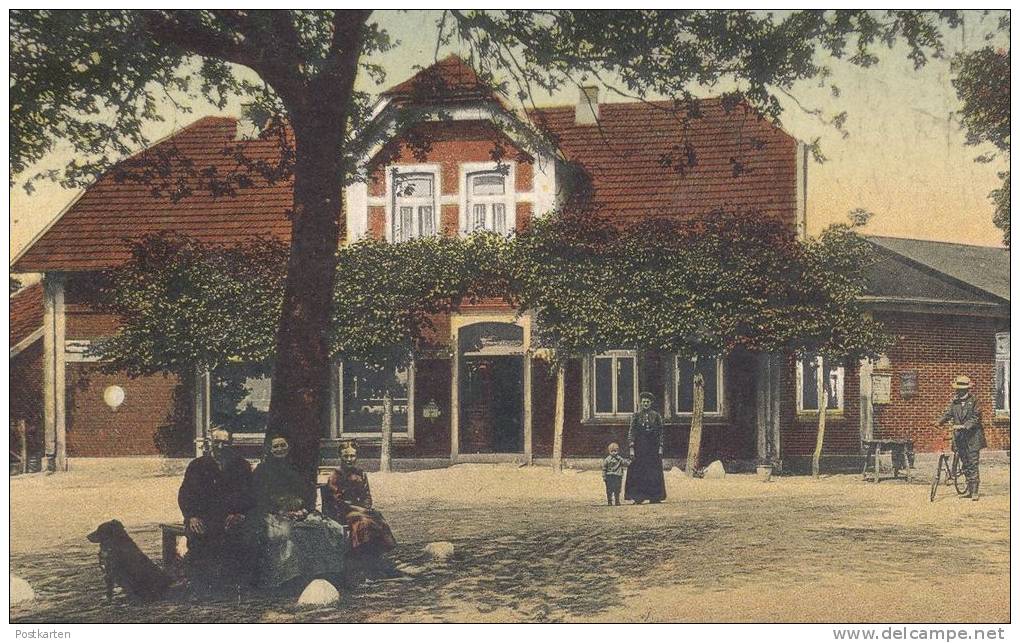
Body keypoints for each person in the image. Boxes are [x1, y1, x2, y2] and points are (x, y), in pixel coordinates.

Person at [250, 435, 347, 589]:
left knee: (327, 528)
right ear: (269, 449)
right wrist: (282, 511)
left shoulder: (297, 467)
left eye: (283, 445)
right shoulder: (262, 470)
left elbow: (308, 492)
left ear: (288, 447)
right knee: (290, 534)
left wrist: (304, 509)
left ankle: (323, 575)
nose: (280, 449)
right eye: (276, 446)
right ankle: (291, 579)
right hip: (274, 513)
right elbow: (259, 497)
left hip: (299, 510)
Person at [177, 428, 255, 591]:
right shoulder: (197, 466)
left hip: (232, 516)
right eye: (216, 442)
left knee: (240, 537)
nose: (220, 446)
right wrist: (191, 516)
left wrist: (240, 514)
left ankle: (234, 583)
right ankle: (202, 582)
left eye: (225, 443)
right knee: (201, 537)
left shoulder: (241, 466)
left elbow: (249, 494)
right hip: (204, 517)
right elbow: (185, 494)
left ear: (231, 444)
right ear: (210, 444)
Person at [325, 441, 399, 578]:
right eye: (345, 456)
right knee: (363, 522)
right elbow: (338, 501)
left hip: (360, 510)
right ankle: (364, 563)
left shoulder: (361, 474)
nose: (349, 459)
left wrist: (366, 507)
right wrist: (360, 509)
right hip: (342, 512)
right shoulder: (335, 475)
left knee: (377, 518)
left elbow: (367, 495)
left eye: (352, 456)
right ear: (340, 457)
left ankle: (375, 560)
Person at [935, 375, 986, 501]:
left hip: (973, 438)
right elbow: (948, 414)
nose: (959, 391)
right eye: (958, 389)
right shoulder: (955, 402)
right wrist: (939, 422)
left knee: (973, 462)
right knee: (965, 463)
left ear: (967, 390)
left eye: (962, 389)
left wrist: (965, 426)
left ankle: (974, 491)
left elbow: (976, 417)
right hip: (960, 438)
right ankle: (968, 489)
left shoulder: (974, 401)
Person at [625, 391, 666, 504]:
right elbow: (631, 432)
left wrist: (660, 447)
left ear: (651, 403)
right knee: (638, 471)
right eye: (644, 402)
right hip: (640, 448)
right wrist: (631, 448)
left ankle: (655, 497)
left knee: (653, 471)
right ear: (641, 403)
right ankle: (638, 497)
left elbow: (661, 432)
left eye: (648, 402)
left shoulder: (656, 416)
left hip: (653, 448)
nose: (646, 404)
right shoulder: (636, 416)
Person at [602, 442, 629, 506]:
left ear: (618, 451)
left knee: (617, 489)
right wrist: (604, 476)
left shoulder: (619, 459)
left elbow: (625, 463)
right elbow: (604, 468)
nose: (614, 453)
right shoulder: (607, 459)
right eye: (612, 451)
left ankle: (617, 500)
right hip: (609, 476)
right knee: (609, 489)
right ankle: (609, 501)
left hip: (617, 475)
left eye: (615, 451)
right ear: (609, 451)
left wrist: (622, 459)